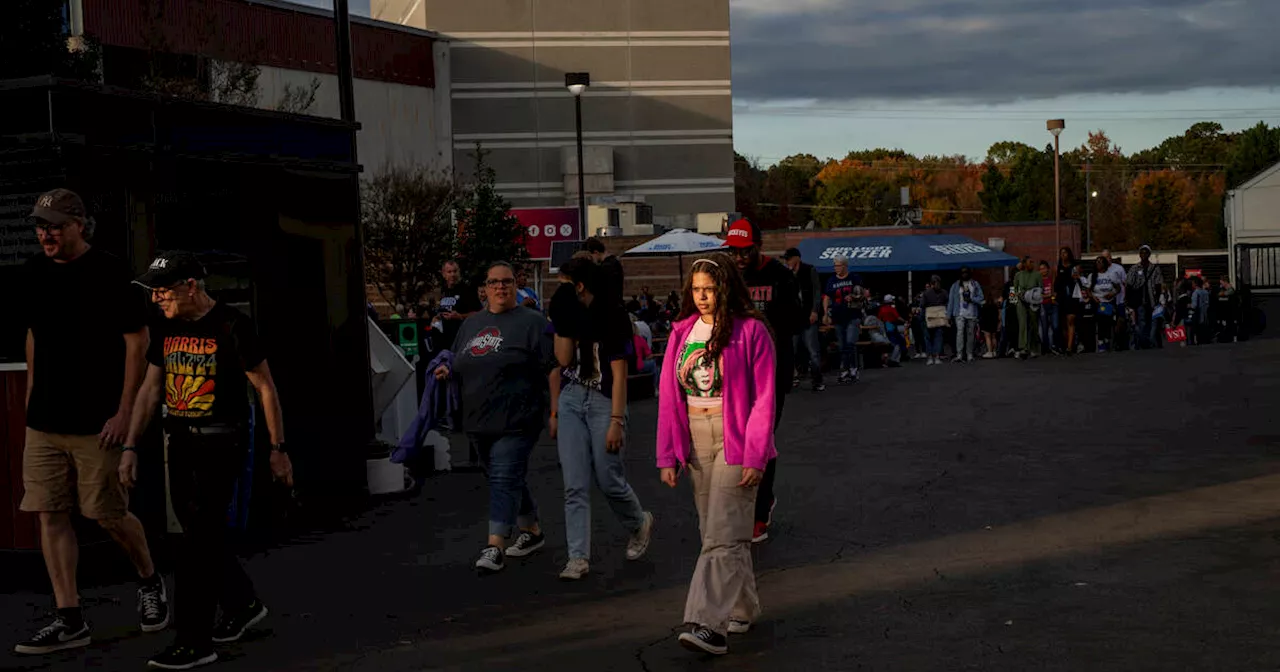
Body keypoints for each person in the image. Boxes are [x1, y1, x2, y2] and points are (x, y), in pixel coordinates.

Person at [15, 189, 169, 656]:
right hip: (45, 421)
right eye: (41, 225)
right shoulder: (34, 273)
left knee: (107, 514)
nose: (47, 233)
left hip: (98, 422)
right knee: (49, 513)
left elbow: (137, 344)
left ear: (80, 224)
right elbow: (33, 337)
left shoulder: (109, 271)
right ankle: (70, 618)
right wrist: (30, 399)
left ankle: (149, 580)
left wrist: (124, 411)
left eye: (56, 225)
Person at [123, 251, 293, 670]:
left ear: (191, 286)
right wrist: (130, 446)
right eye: (153, 291)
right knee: (202, 533)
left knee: (195, 542)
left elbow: (266, 388)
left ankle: (193, 640)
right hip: (178, 443)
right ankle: (242, 603)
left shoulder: (233, 326)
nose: (157, 298)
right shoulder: (166, 327)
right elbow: (150, 388)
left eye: (163, 290)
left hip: (221, 444)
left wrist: (278, 449)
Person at [656, 253, 776, 656]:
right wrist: (667, 454)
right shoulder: (682, 332)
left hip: (735, 439)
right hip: (694, 437)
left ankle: (708, 625)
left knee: (721, 535)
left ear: (725, 288)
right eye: (696, 289)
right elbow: (669, 397)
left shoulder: (752, 331)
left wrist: (756, 456)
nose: (702, 296)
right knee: (721, 533)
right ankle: (743, 607)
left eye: (709, 289)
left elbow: (764, 399)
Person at [434, 262, 555, 574]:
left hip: (519, 417)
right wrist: (446, 370)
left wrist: (554, 411)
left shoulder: (532, 322)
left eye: (507, 282)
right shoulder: (472, 325)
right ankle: (532, 532)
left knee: (503, 474)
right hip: (478, 420)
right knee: (505, 476)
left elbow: (553, 366)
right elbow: (457, 358)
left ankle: (495, 545)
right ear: (484, 289)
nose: (501, 287)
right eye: (494, 283)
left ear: (515, 285)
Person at [548, 258, 654, 580]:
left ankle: (638, 522)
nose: (559, 288)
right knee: (574, 484)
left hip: (604, 400)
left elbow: (620, 375)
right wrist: (564, 321)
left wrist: (616, 420)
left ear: (579, 284)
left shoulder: (612, 314)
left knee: (608, 478)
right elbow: (562, 360)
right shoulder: (566, 311)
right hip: (571, 398)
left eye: (564, 282)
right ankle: (577, 557)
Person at [723, 220, 797, 543]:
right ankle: (744, 504)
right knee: (738, 442)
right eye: (734, 251)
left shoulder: (779, 275)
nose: (739, 257)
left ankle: (760, 511)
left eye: (744, 251)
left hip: (772, 372)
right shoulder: (728, 277)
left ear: (758, 246)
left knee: (762, 439)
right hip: (736, 373)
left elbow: (795, 319)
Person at [783, 247, 824, 392]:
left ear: (797, 258)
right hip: (793, 318)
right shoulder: (787, 274)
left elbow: (817, 291)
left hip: (807, 315)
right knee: (790, 350)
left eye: (789, 259)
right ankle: (792, 377)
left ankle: (817, 379)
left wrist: (815, 310)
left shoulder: (809, 270)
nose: (787, 262)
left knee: (813, 349)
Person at [822, 255, 864, 383]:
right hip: (838, 316)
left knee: (850, 342)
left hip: (852, 315)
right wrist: (825, 313)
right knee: (842, 345)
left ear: (845, 266)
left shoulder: (854, 278)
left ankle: (853, 368)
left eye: (838, 265)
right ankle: (845, 369)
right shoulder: (831, 280)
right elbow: (827, 297)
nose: (836, 268)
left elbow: (861, 294)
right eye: (835, 265)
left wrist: (853, 296)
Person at [1125, 244, 1164, 350]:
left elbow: (1158, 284)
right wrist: (1127, 299)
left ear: (1149, 254)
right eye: (1141, 252)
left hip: (1152, 300)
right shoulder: (1134, 268)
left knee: (1152, 323)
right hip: (1139, 300)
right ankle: (1143, 342)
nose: (1143, 254)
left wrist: (1158, 298)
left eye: (1145, 252)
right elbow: (1128, 284)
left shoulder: (1154, 268)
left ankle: (1149, 341)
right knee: (1141, 321)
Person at [438, 260, 482, 353]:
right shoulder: (443, 290)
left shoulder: (466, 290)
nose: (453, 274)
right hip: (444, 340)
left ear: (459, 272)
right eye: (449, 272)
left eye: (455, 271)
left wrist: (460, 316)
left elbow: (479, 313)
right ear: (444, 274)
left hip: (462, 340)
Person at [947, 267, 984, 363]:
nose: (964, 274)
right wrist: (948, 315)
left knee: (970, 334)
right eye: (962, 273)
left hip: (972, 313)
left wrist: (972, 299)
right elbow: (951, 301)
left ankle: (969, 354)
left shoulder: (974, 284)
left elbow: (981, 298)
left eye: (966, 272)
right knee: (960, 332)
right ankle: (959, 354)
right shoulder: (955, 285)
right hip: (959, 312)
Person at [1012, 257, 1043, 359]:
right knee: (1022, 324)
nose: (1032, 264)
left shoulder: (1037, 274)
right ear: (1024, 264)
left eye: (1033, 262)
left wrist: (1035, 295)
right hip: (1021, 301)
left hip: (1033, 301)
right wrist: (1016, 298)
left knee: (1034, 324)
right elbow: (1014, 289)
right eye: (1030, 262)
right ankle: (1023, 348)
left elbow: (1041, 288)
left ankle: (1034, 348)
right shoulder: (1018, 275)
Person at [584, 236, 625, 308]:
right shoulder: (614, 263)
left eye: (591, 256)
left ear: (596, 252)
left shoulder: (606, 267)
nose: (591, 260)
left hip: (610, 309)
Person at [919, 275, 949, 366]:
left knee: (931, 338)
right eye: (937, 283)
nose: (938, 285)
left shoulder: (926, 293)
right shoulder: (943, 292)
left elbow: (922, 305)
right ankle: (935, 357)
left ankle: (931, 357)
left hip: (929, 317)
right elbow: (947, 303)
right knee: (936, 337)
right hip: (938, 317)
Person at [1092, 256, 1119, 352]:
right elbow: (1087, 289)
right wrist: (1093, 297)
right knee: (1100, 323)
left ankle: (1107, 341)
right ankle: (1100, 343)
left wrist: (1112, 293)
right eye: (1097, 262)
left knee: (1107, 323)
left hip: (1108, 303)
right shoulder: (1093, 276)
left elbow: (1118, 288)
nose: (1098, 264)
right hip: (1098, 303)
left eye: (1100, 262)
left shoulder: (1111, 275)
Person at [1054, 248, 1078, 351]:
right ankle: (1065, 344)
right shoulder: (1057, 267)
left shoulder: (1074, 267)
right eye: (1061, 253)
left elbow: (1077, 279)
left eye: (1065, 253)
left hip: (1071, 295)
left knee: (1071, 320)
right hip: (1061, 296)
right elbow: (1055, 282)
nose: (1063, 255)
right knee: (1063, 323)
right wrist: (1053, 296)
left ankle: (1069, 346)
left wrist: (1075, 276)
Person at [877, 295, 907, 366]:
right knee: (898, 343)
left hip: (885, 328)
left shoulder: (882, 309)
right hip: (892, 328)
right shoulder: (892, 309)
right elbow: (898, 317)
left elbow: (879, 318)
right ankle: (894, 360)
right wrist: (905, 321)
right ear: (890, 301)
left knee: (895, 342)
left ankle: (895, 359)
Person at [1037, 261, 1057, 356]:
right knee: (1044, 327)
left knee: (1054, 325)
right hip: (1042, 305)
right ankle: (1045, 348)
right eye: (1040, 269)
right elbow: (1038, 295)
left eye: (1044, 268)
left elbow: (1054, 292)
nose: (1042, 271)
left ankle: (1053, 346)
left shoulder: (1051, 280)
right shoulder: (1038, 282)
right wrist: (1049, 295)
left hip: (1052, 304)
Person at [979, 289, 1000, 359]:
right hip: (994, 322)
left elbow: (982, 315)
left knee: (987, 337)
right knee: (994, 337)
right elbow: (998, 315)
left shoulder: (984, 305)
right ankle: (994, 351)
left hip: (986, 323)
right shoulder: (995, 306)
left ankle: (989, 352)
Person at [1191, 276, 1211, 345]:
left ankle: (1198, 340)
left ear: (1195, 284)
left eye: (1193, 283)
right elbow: (1207, 303)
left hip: (1198, 314)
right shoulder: (1205, 292)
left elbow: (1194, 305)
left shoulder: (1195, 293)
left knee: (1197, 329)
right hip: (1205, 313)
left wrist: (1189, 305)